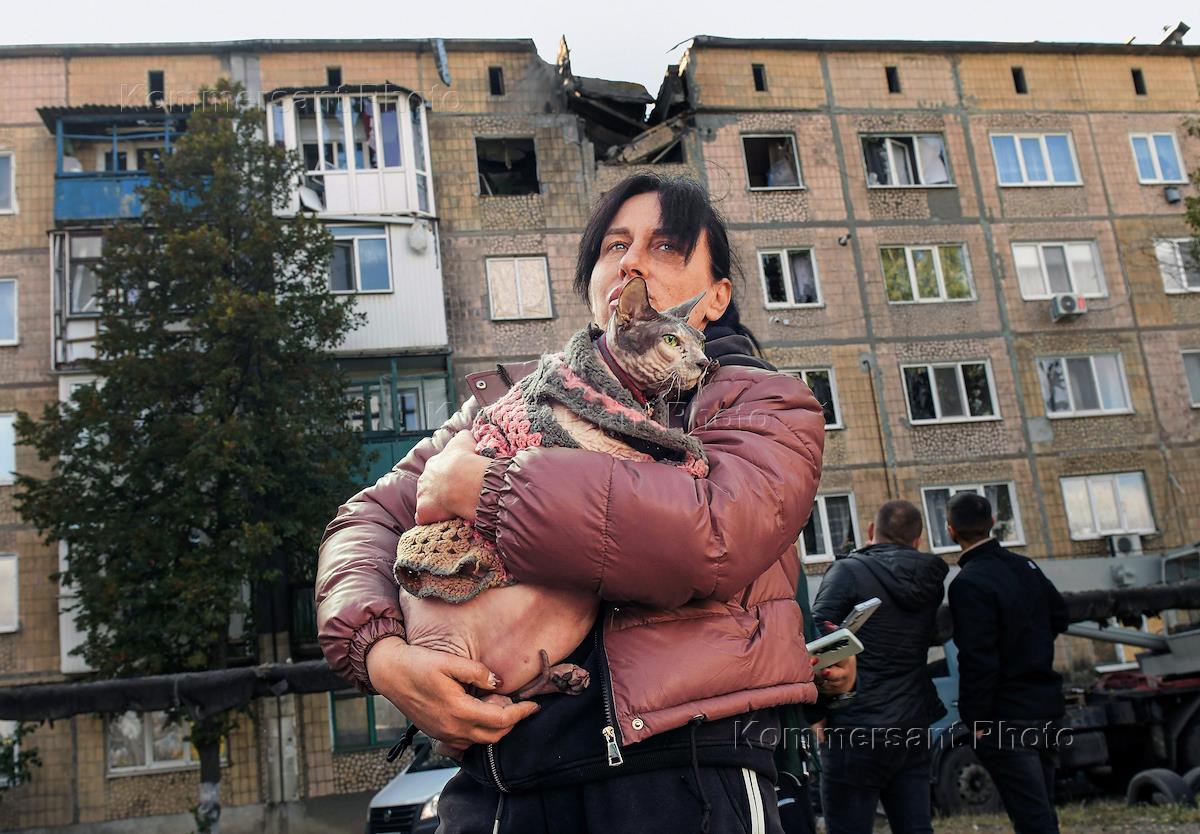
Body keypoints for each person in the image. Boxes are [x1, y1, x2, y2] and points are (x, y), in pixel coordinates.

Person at [316, 173, 851, 833]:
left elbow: (713, 535)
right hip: (500, 786)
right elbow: (363, 520)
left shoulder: (760, 401)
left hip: (681, 777)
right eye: (614, 246)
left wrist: (493, 490)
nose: (631, 263)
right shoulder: (508, 402)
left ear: (716, 296)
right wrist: (380, 655)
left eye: (665, 247)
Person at [810, 500, 949, 834]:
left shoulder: (848, 571)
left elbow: (816, 641)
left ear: (871, 530)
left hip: (854, 726)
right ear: (918, 539)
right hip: (911, 725)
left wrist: (817, 711)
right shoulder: (930, 581)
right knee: (916, 827)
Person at [946, 492, 1069, 834]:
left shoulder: (968, 583)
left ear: (951, 530)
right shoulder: (1025, 566)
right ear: (992, 523)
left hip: (1006, 716)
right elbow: (1060, 615)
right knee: (1043, 810)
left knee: (1032, 818)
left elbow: (977, 658)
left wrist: (975, 720)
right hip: (1045, 706)